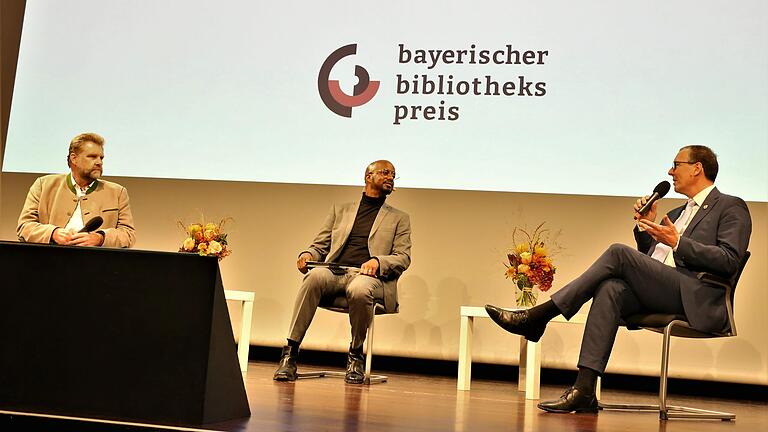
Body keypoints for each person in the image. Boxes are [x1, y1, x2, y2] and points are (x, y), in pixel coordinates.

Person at [485, 145, 751, 413]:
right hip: (666, 290)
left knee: (617, 252)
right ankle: (584, 389)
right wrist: (645, 226)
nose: (670, 171)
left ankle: (540, 316)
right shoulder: (678, 213)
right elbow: (651, 260)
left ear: (697, 168)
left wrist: (679, 243)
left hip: (695, 296)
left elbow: (728, 260)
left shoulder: (730, 206)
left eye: (676, 164)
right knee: (611, 287)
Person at [273, 160, 412, 384]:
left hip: (370, 278)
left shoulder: (399, 218)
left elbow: (403, 258)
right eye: (385, 173)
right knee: (314, 277)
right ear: (368, 176)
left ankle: (355, 355)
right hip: (335, 272)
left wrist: (377, 261)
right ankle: (290, 354)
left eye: (394, 175)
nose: (390, 177)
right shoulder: (342, 210)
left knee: (359, 288)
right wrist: (307, 255)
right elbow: (320, 246)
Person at [17, 132, 136, 248]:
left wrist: (100, 238)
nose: (99, 162)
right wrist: (53, 233)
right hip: (50, 259)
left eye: (101, 158)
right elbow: (25, 227)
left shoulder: (117, 192)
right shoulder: (44, 185)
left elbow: (128, 234)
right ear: (74, 158)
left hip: (96, 262)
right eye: (92, 157)